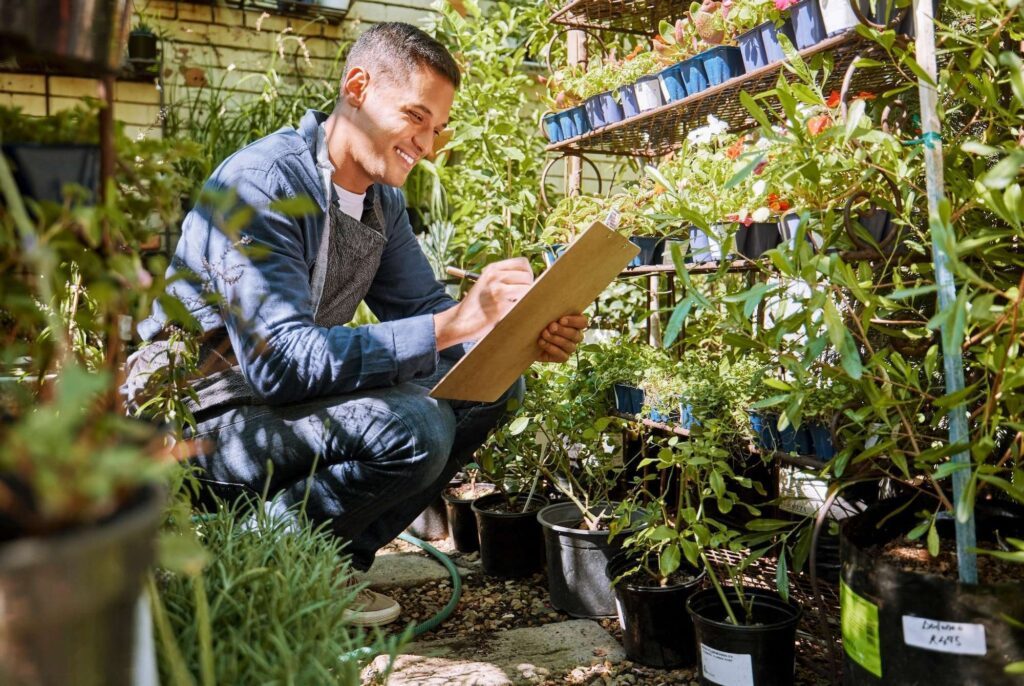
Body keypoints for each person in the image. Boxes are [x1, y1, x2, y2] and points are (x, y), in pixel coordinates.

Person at [124, 22, 587, 626]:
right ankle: (243, 560)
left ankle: (329, 565)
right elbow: (281, 362)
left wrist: (517, 336)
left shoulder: (378, 202)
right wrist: (453, 324)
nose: (426, 142)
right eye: (415, 117)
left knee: (490, 385)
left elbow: (427, 314)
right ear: (358, 86)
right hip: (203, 422)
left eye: (437, 129)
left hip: (276, 407)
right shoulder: (260, 185)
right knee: (415, 426)